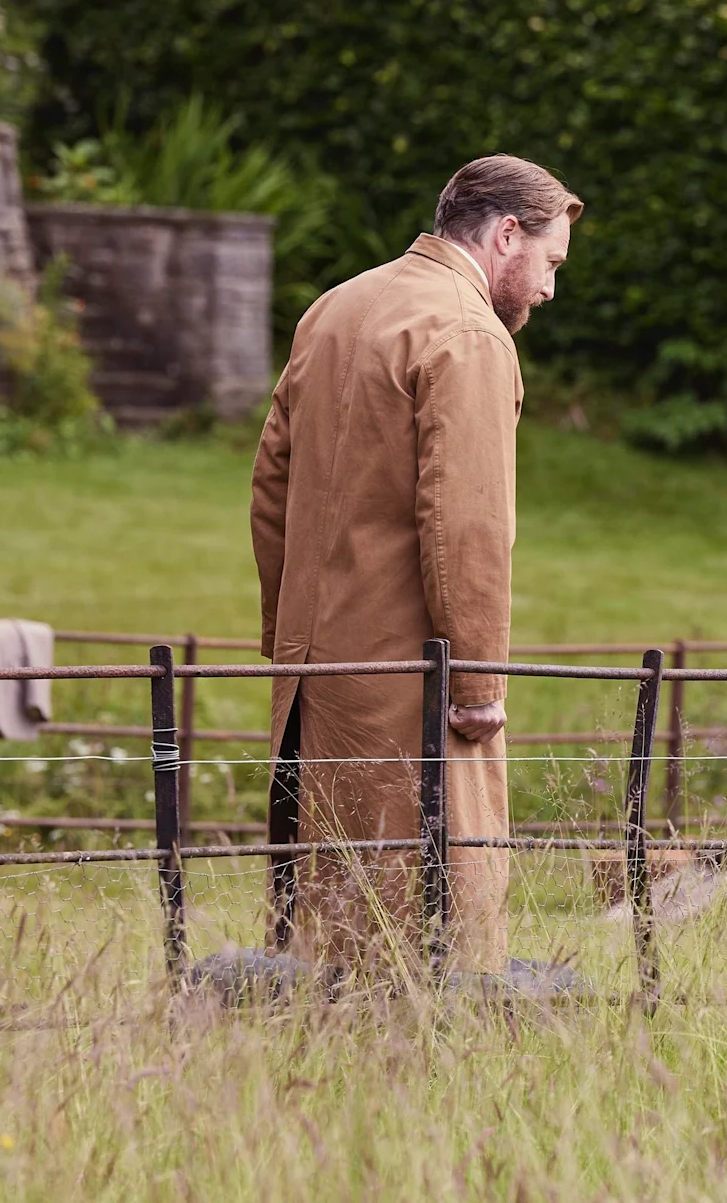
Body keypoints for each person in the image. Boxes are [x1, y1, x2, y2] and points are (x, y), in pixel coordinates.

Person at [242, 154, 582, 994]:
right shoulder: (467, 334)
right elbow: (466, 525)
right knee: (432, 916)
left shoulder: (337, 307)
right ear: (507, 235)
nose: (548, 289)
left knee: (325, 917)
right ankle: (423, 1081)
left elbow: (271, 487)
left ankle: (315, 1065)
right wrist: (476, 682)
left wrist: (285, 640)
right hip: (409, 676)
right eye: (550, 263)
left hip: (316, 675)